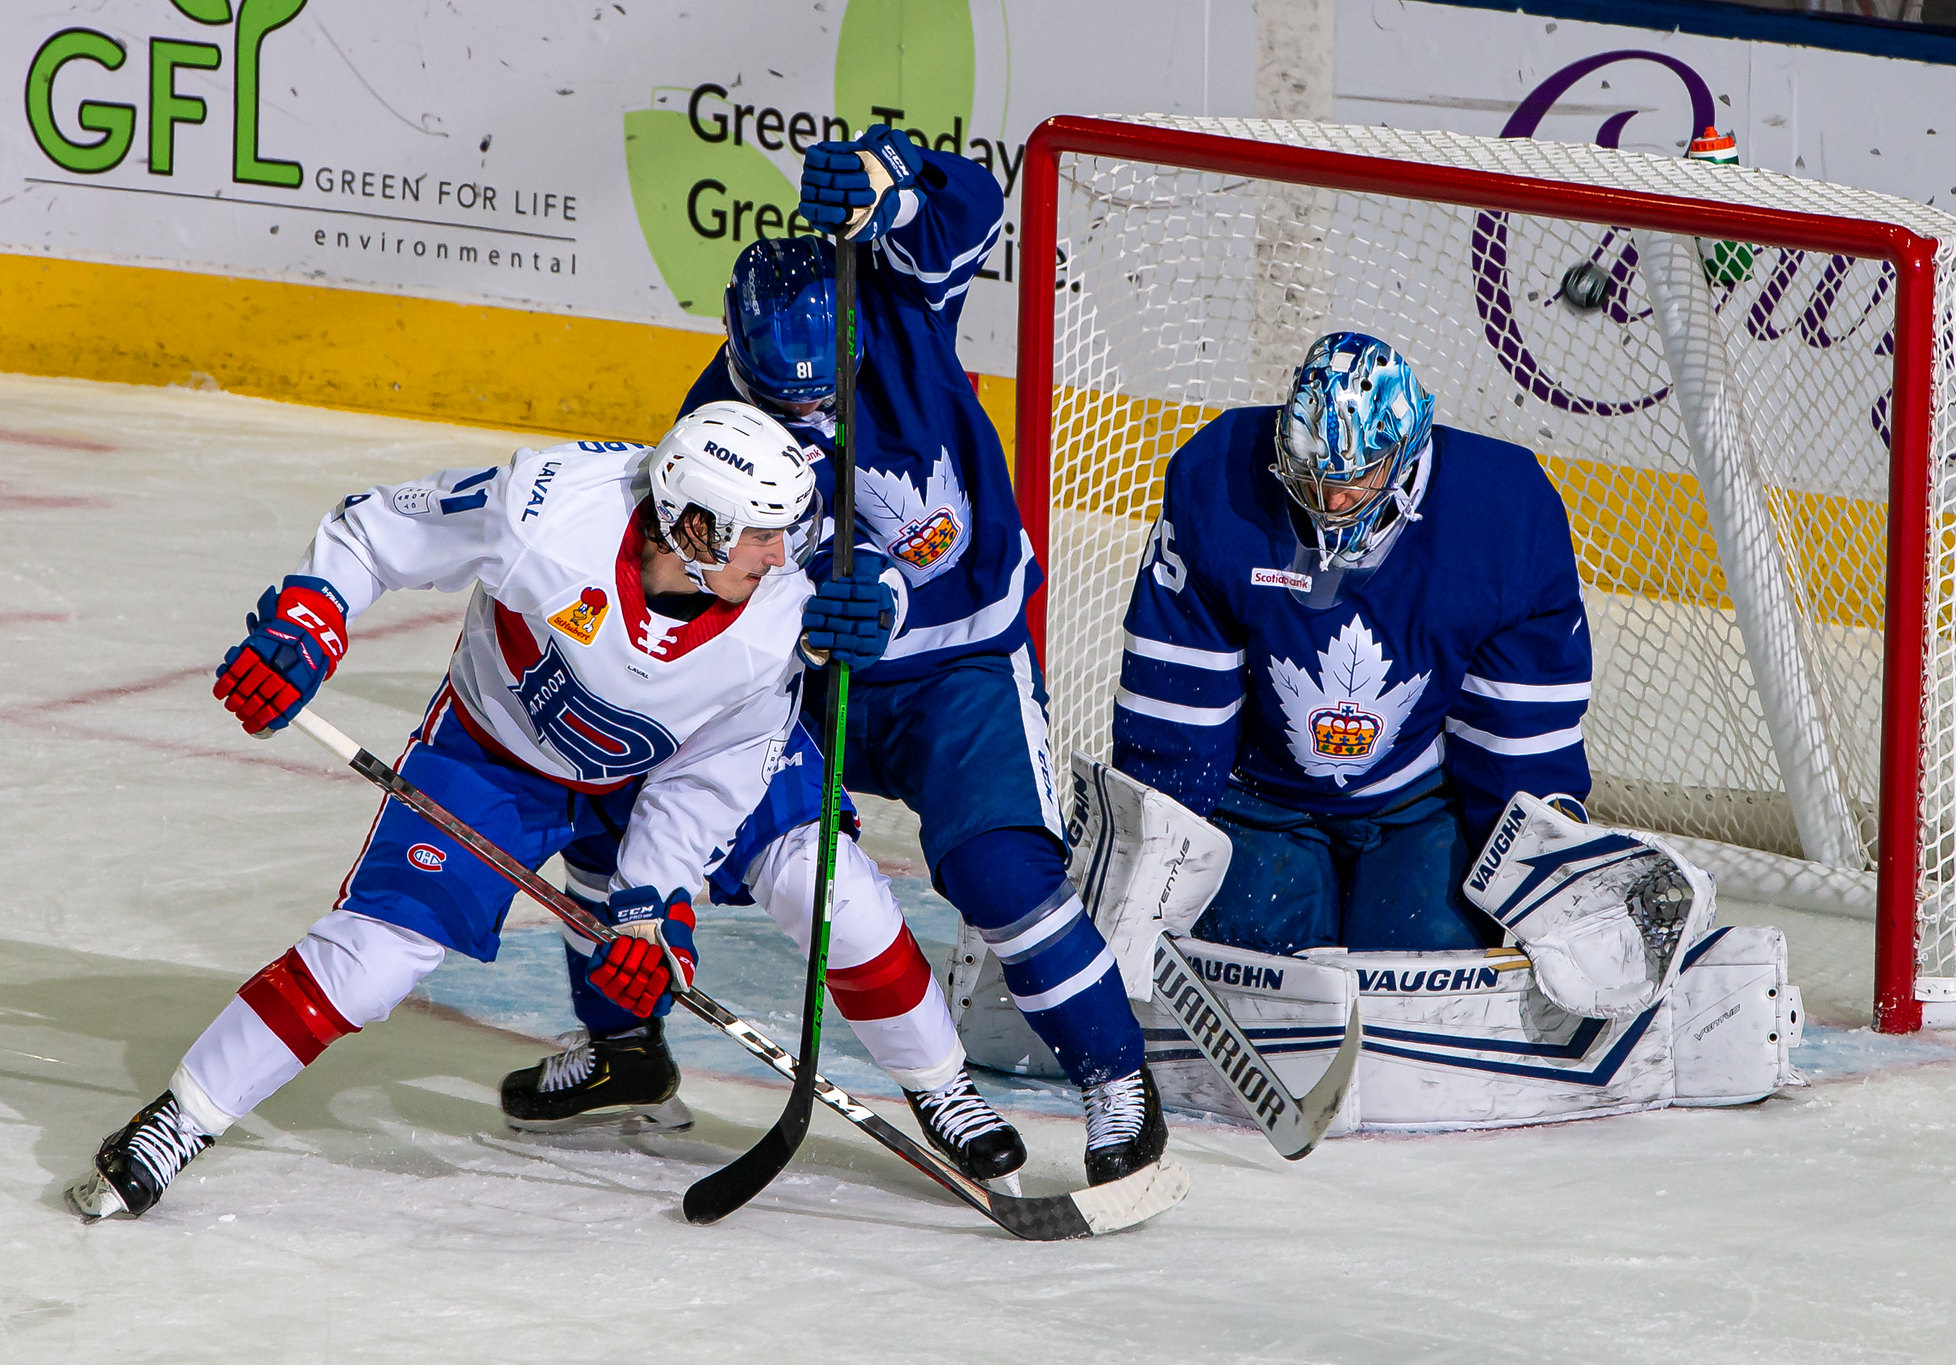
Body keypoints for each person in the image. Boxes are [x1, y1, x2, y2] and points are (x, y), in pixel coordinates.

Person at [68, 401, 1018, 1223]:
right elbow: (371, 531)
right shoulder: (546, 508)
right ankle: (179, 1119)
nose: (782, 554)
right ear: (693, 529)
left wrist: (653, 909)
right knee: (373, 960)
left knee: (828, 882)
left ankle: (945, 1091)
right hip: (497, 752)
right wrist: (304, 627)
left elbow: (702, 783)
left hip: (675, 758)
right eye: (762, 534)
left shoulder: (779, 614)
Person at [508, 125, 1167, 1187]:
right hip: (809, 682)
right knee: (624, 808)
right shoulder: (712, 426)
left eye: (826, 391)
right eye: (788, 398)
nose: (810, 412)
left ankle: (1112, 1078)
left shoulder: (897, 303)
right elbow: (710, 584)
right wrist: (811, 611)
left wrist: (887, 179)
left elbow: (970, 209)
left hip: (961, 666)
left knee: (999, 873)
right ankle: (626, 1049)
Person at [1111, 331, 1595, 957]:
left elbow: (1516, 735)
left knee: (1428, 958)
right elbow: (1180, 708)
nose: (1332, 500)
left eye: (1355, 478)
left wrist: (1543, 882)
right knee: (1245, 956)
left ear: (1406, 451)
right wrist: (1153, 860)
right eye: (1312, 476)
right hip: (1259, 798)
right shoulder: (1218, 479)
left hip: (1418, 801)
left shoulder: (1505, 513)